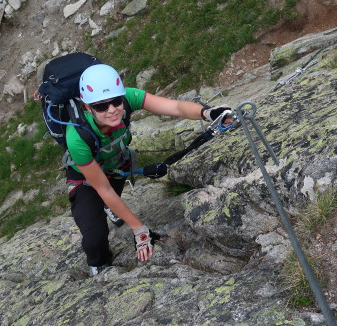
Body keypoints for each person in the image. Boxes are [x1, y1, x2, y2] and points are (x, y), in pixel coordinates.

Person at [64, 63, 232, 276]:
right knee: (95, 238)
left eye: (116, 101)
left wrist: (208, 113)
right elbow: (102, 188)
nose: (112, 110)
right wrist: (138, 228)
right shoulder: (77, 137)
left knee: (112, 197)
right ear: (87, 107)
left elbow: (175, 107)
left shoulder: (129, 98)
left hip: (114, 166)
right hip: (86, 178)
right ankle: (99, 266)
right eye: (101, 106)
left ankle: (111, 208)